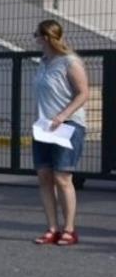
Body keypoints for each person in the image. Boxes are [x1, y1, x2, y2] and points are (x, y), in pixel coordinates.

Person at [31, 19, 89, 246]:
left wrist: (62, 115)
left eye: (35, 34)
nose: (33, 37)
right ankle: (52, 228)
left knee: (62, 177)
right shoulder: (43, 62)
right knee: (44, 176)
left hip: (68, 126)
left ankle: (69, 229)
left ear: (45, 37)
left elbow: (83, 93)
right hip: (45, 127)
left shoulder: (70, 61)